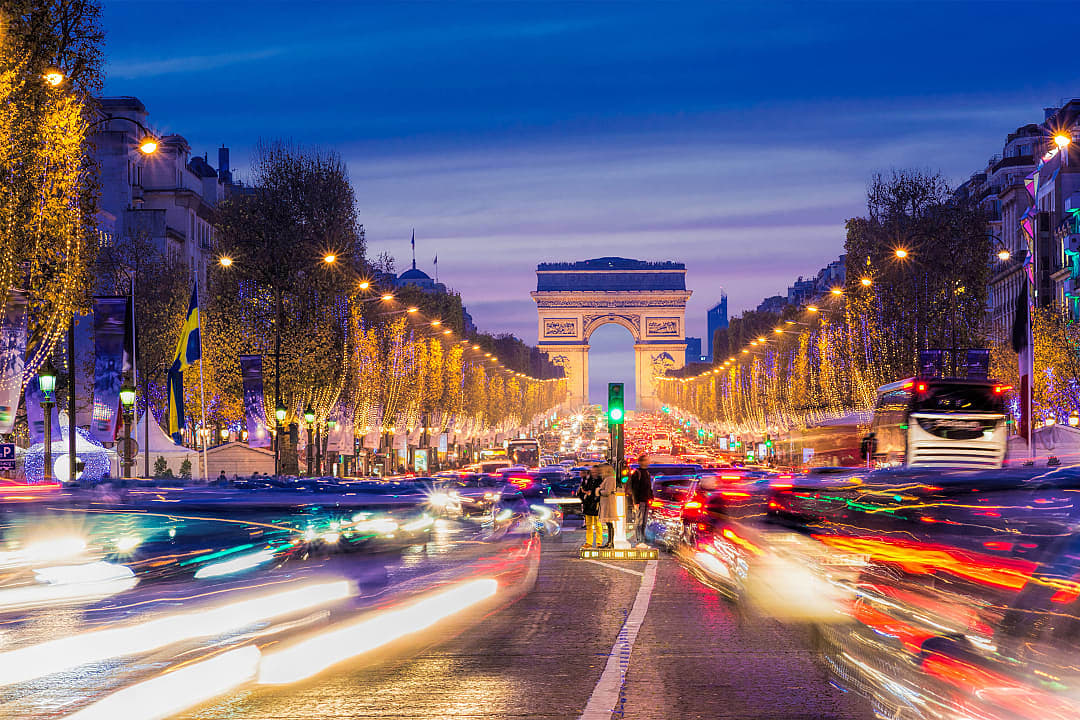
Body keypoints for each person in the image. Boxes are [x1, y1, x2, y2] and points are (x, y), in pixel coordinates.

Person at [628, 454, 653, 547]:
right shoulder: (637, 473)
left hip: (646, 501)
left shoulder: (647, 473)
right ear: (641, 462)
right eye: (646, 460)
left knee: (644, 521)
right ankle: (639, 540)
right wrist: (636, 502)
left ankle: (642, 539)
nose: (648, 462)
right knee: (639, 521)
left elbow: (649, 488)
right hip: (640, 501)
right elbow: (634, 489)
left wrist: (651, 497)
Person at [578, 466, 601, 548]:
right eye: (593, 472)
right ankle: (589, 542)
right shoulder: (588, 480)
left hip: (596, 504)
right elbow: (583, 490)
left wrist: (591, 493)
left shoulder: (600, 480)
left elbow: (598, 492)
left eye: (595, 472)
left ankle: (599, 542)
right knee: (589, 525)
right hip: (588, 504)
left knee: (598, 524)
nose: (594, 473)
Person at [597, 463, 618, 549]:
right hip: (607, 502)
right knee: (608, 524)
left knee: (609, 523)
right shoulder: (609, 478)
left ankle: (611, 542)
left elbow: (607, 491)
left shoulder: (610, 479)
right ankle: (610, 542)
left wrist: (599, 491)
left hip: (608, 503)